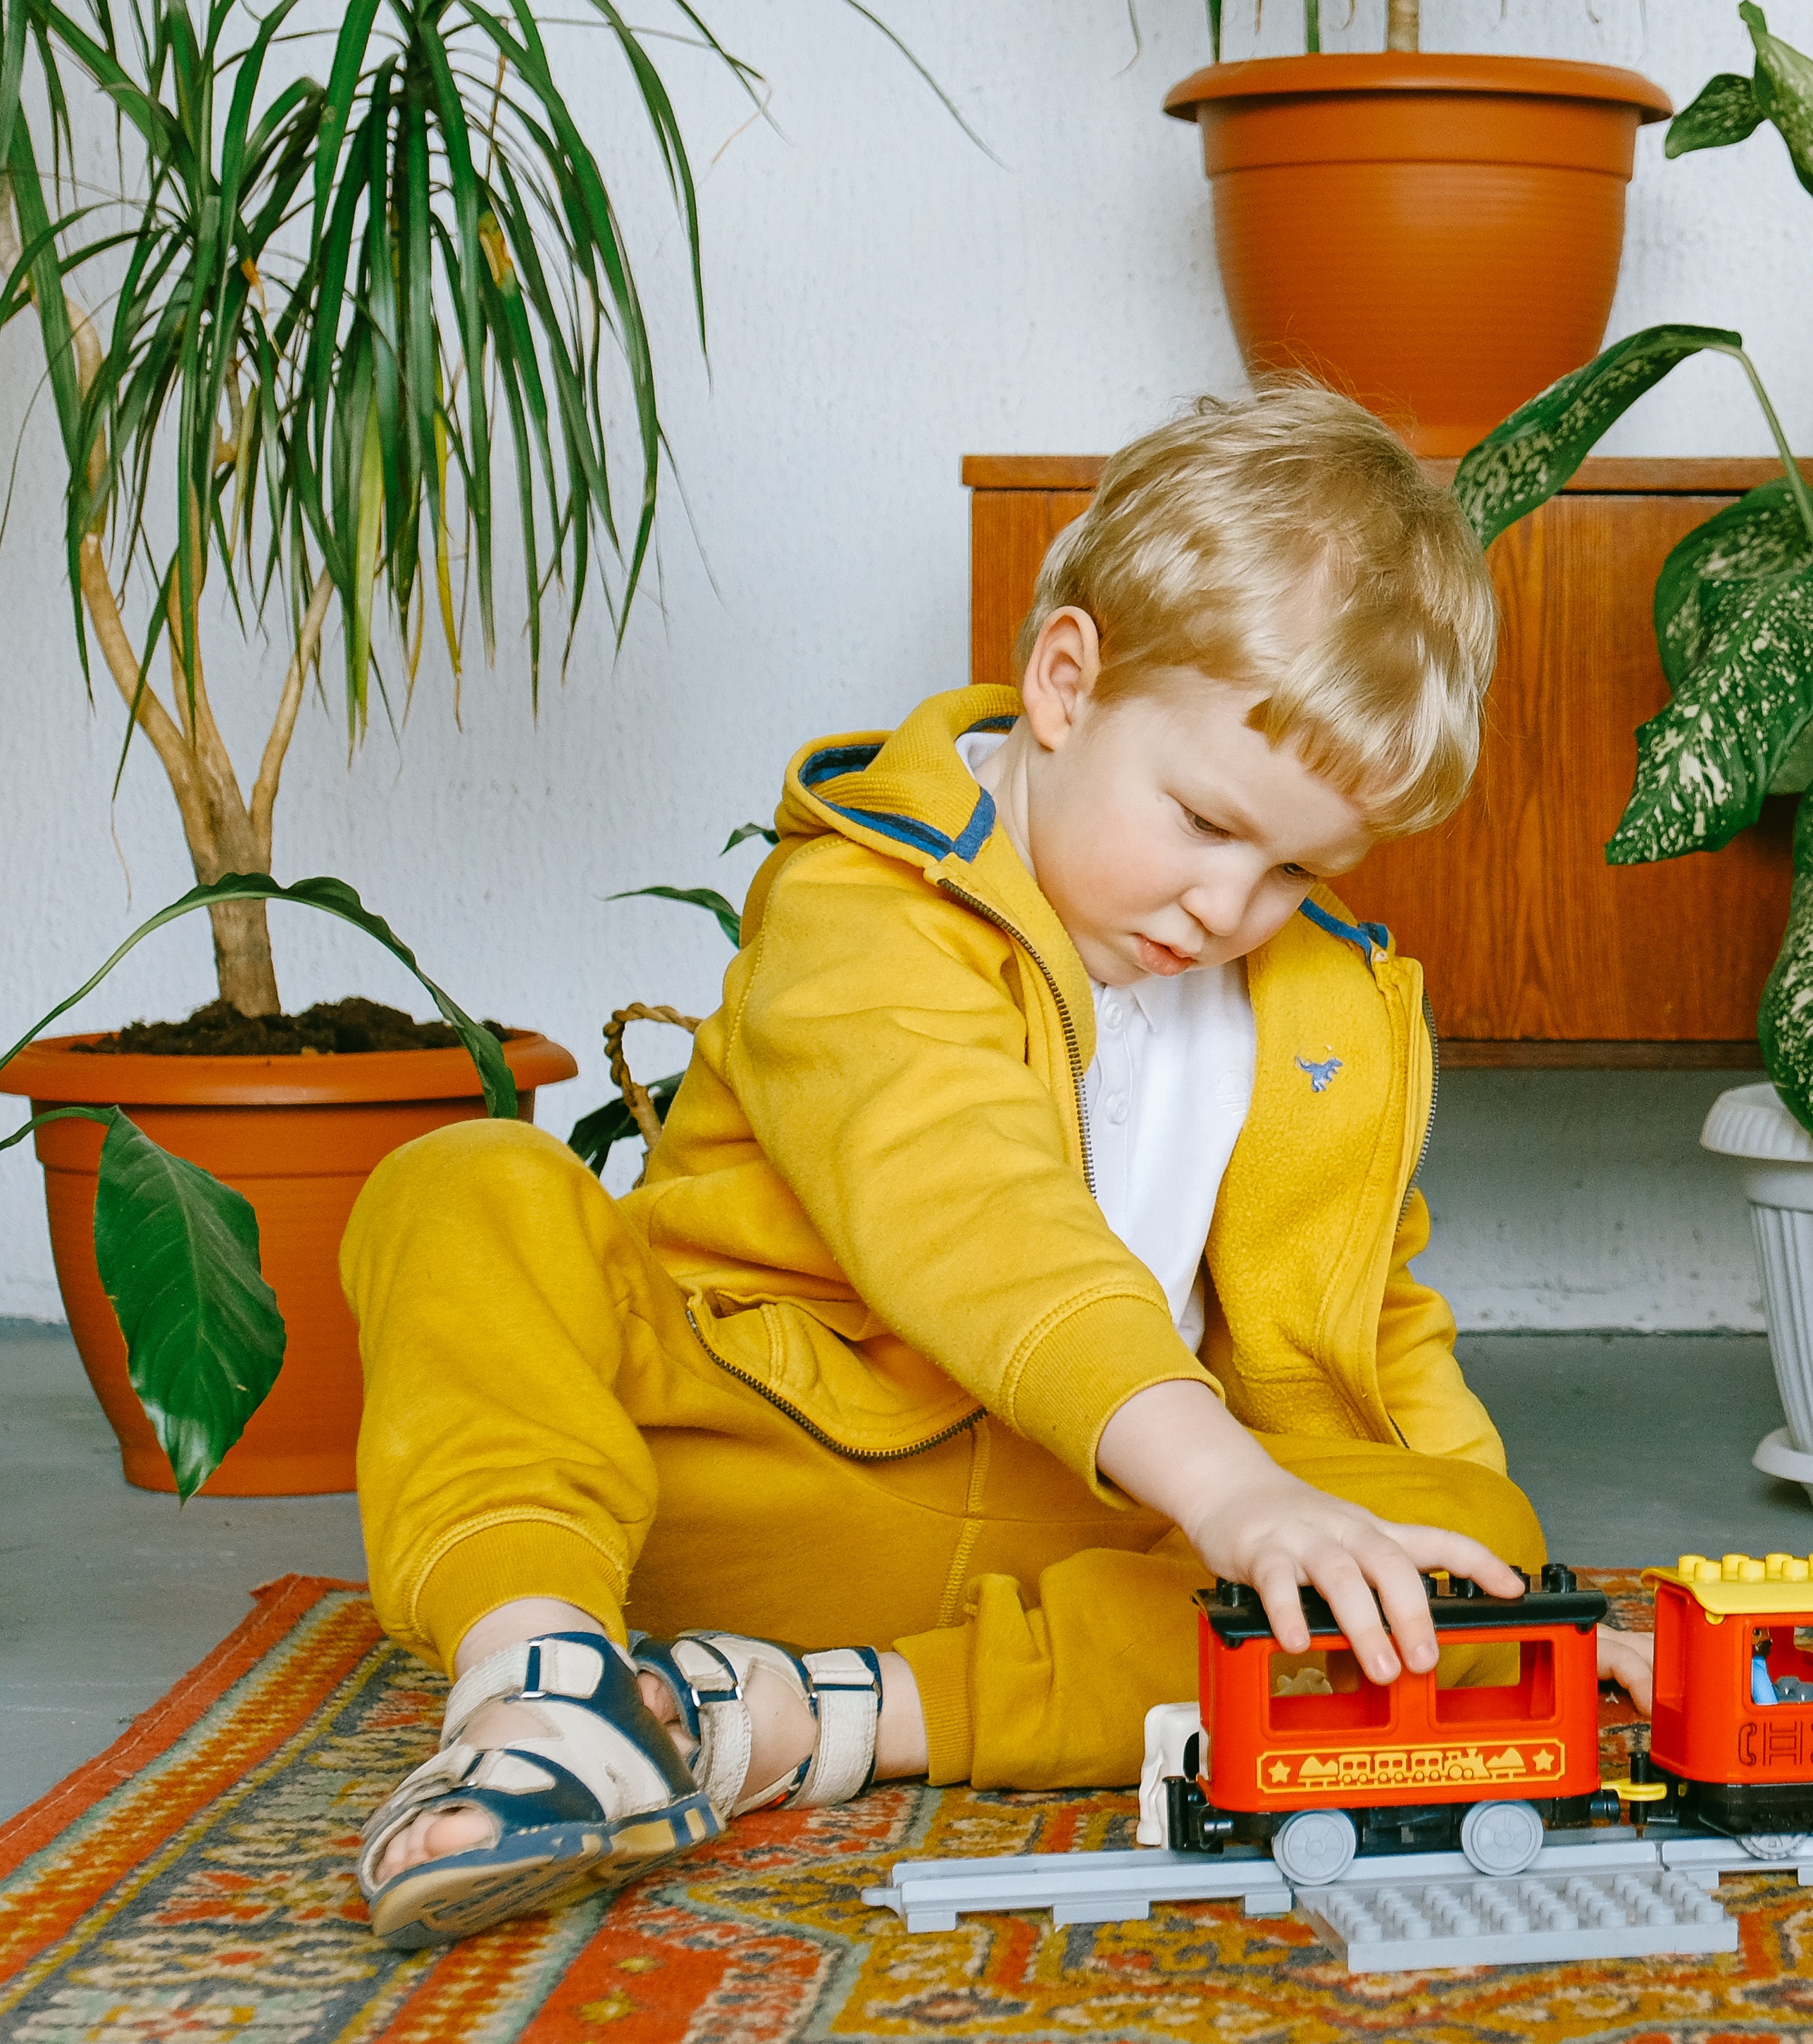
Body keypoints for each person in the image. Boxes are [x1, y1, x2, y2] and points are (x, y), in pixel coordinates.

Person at [345, 381, 1565, 1948]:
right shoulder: (862, 900)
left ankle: (801, 1716)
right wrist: (1237, 1492)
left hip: (1081, 1526)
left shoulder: (1321, 1002)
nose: (1226, 903)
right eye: (1201, 820)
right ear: (1066, 682)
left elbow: (1376, 1322)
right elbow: (976, 1215)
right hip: (760, 1459)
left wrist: (1533, 1616)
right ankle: (549, 1682)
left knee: (1465, 1552)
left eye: (1298, 867)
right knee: (462, 1188)